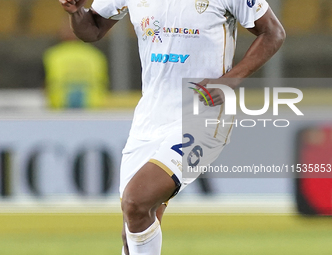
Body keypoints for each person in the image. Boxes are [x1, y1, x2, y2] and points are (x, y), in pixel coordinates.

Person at [59, 0, 285, 254]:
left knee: (136, 201)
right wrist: (76, 12)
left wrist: (231, 79)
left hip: (203, 114)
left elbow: (273, 32)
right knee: (133, 225)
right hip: (150, 117)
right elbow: (93, 30)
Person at [43, 19, 109, 109]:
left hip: (60, 108)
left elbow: (45, 83)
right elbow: (103, 82)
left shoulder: (53, 55)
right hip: (91, 108)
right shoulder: (95, 55)